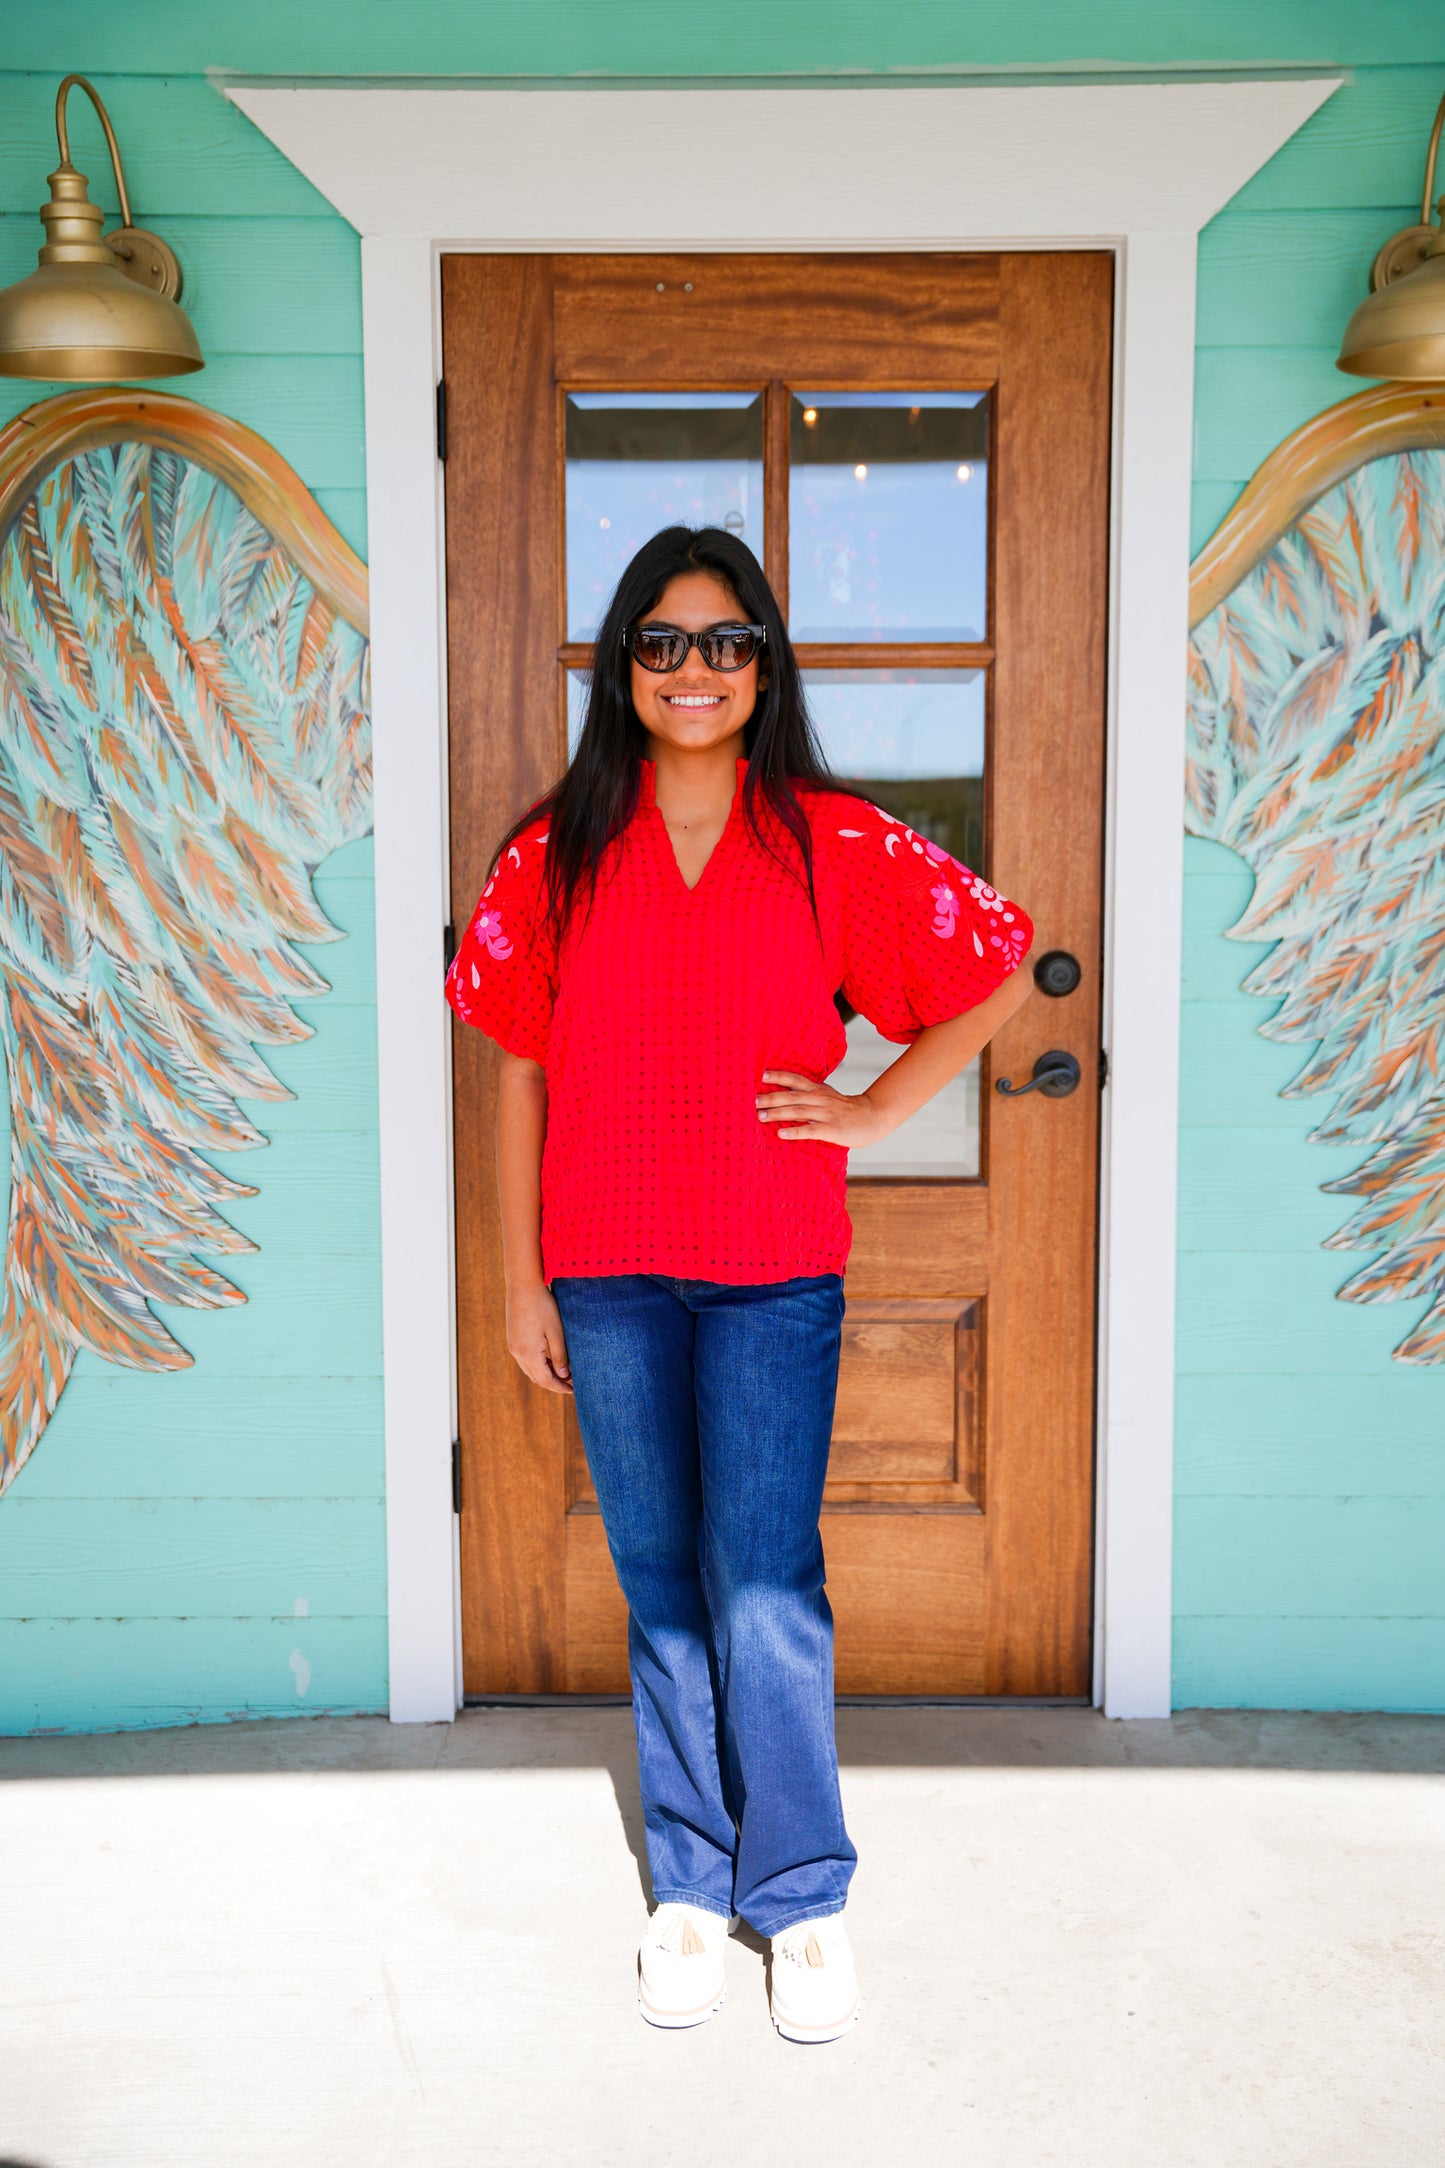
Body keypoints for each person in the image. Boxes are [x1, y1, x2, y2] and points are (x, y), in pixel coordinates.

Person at [445, 525, 1034, 2043]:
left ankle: (805, 1895)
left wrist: (876, 1111)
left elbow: (989, 972)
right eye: (660, 642)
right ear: (621, 667)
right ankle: (691, 1888)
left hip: (772, 1268)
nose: (691, 670)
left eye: (722, 643)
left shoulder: (829, 840)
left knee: (763, 1587)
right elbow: (515, 1078)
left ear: (762, 664)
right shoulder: (559, 846)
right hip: (608, 1271)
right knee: (657, 1582)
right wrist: (521, 1283)